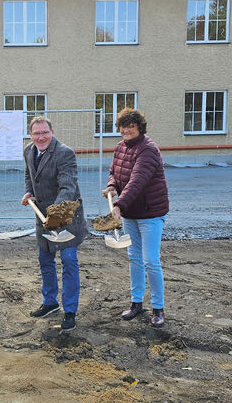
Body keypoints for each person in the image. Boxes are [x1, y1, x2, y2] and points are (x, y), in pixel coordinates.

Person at [102, 108, 169, 328]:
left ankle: (158, 309)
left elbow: (137, 181)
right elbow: (114, 172)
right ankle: (136, 303)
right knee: (134, 259)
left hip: (151, 214)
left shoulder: (148, 150)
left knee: (151, 260)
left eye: (131, 126)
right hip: (131, 214)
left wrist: (119, 205)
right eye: (123, 126)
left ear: (140, 127)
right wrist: (112, 186)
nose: (126, 130)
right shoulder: (120, 147)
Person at [21, 116, 86, 332]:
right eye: (36, 133)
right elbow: (29, 175)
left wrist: (55, 213)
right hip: (42, 217)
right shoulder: (29, 151)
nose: (41, 137)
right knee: (45, 259)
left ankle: (70, 310)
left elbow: (68, 186)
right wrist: (29, 191)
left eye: (45, 132)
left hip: (66, 215)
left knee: (68, 260)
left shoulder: (65, 153)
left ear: (52, 131)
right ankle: (50, 302)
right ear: (31, 134)